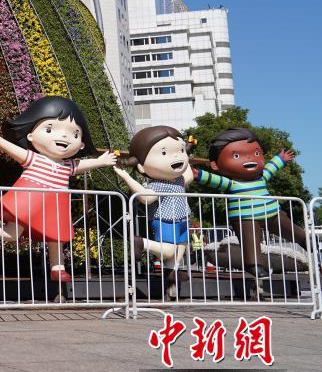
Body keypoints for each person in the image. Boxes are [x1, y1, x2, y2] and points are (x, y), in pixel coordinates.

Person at [0, 96, 117, 282]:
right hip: (29, 200)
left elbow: (82, 165)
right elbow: (14, 151)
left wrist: (100, 162)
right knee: (12, 234)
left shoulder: (67, 166)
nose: (65, 137)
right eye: (50, 129)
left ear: (81, 144)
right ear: (30, 135)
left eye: (75, 134)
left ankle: (57, 268)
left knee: (56, 235)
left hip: (54, 205)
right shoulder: (35, 159)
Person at [192, 128, 304, 278]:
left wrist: (280, 159)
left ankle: (305, 240)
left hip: (271, 212)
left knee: (290, 229)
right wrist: (198, 174)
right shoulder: (231, 183)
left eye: (256, 153)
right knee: (250, 241)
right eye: (237, 155)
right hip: (245, 217)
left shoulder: (261, 177)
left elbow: (271, 166)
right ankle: (254, 265)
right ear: (215, 165)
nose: (250, 159)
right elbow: (213, 180)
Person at [113, 125, 195, 298]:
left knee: (179, 251)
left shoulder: (179, 178)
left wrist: (187, 149)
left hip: (182, 219)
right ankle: (141, 243)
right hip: (165, 219)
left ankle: (172, 281)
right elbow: (146, 198)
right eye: (164, 153)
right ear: (142, 167)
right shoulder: (157, 184)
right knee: (169, 251)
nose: (176, 156)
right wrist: (127, 177)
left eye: (179, 150)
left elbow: (190, 176)